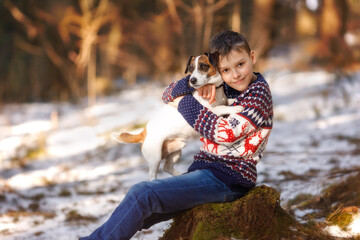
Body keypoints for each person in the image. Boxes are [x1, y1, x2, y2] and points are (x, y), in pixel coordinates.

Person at [80, 30, 273, 240]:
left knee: (142, 194)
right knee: (141, 212)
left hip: (228, 179)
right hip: (206, 172)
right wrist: (193, 84)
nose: (235, 74)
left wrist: (183, 102)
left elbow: (223, 133)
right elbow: (166, 94)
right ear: (218, 70)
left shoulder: (257, 94)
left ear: (252, 57)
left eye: (240, 65)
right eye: (226, 69)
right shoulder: (223, 85)